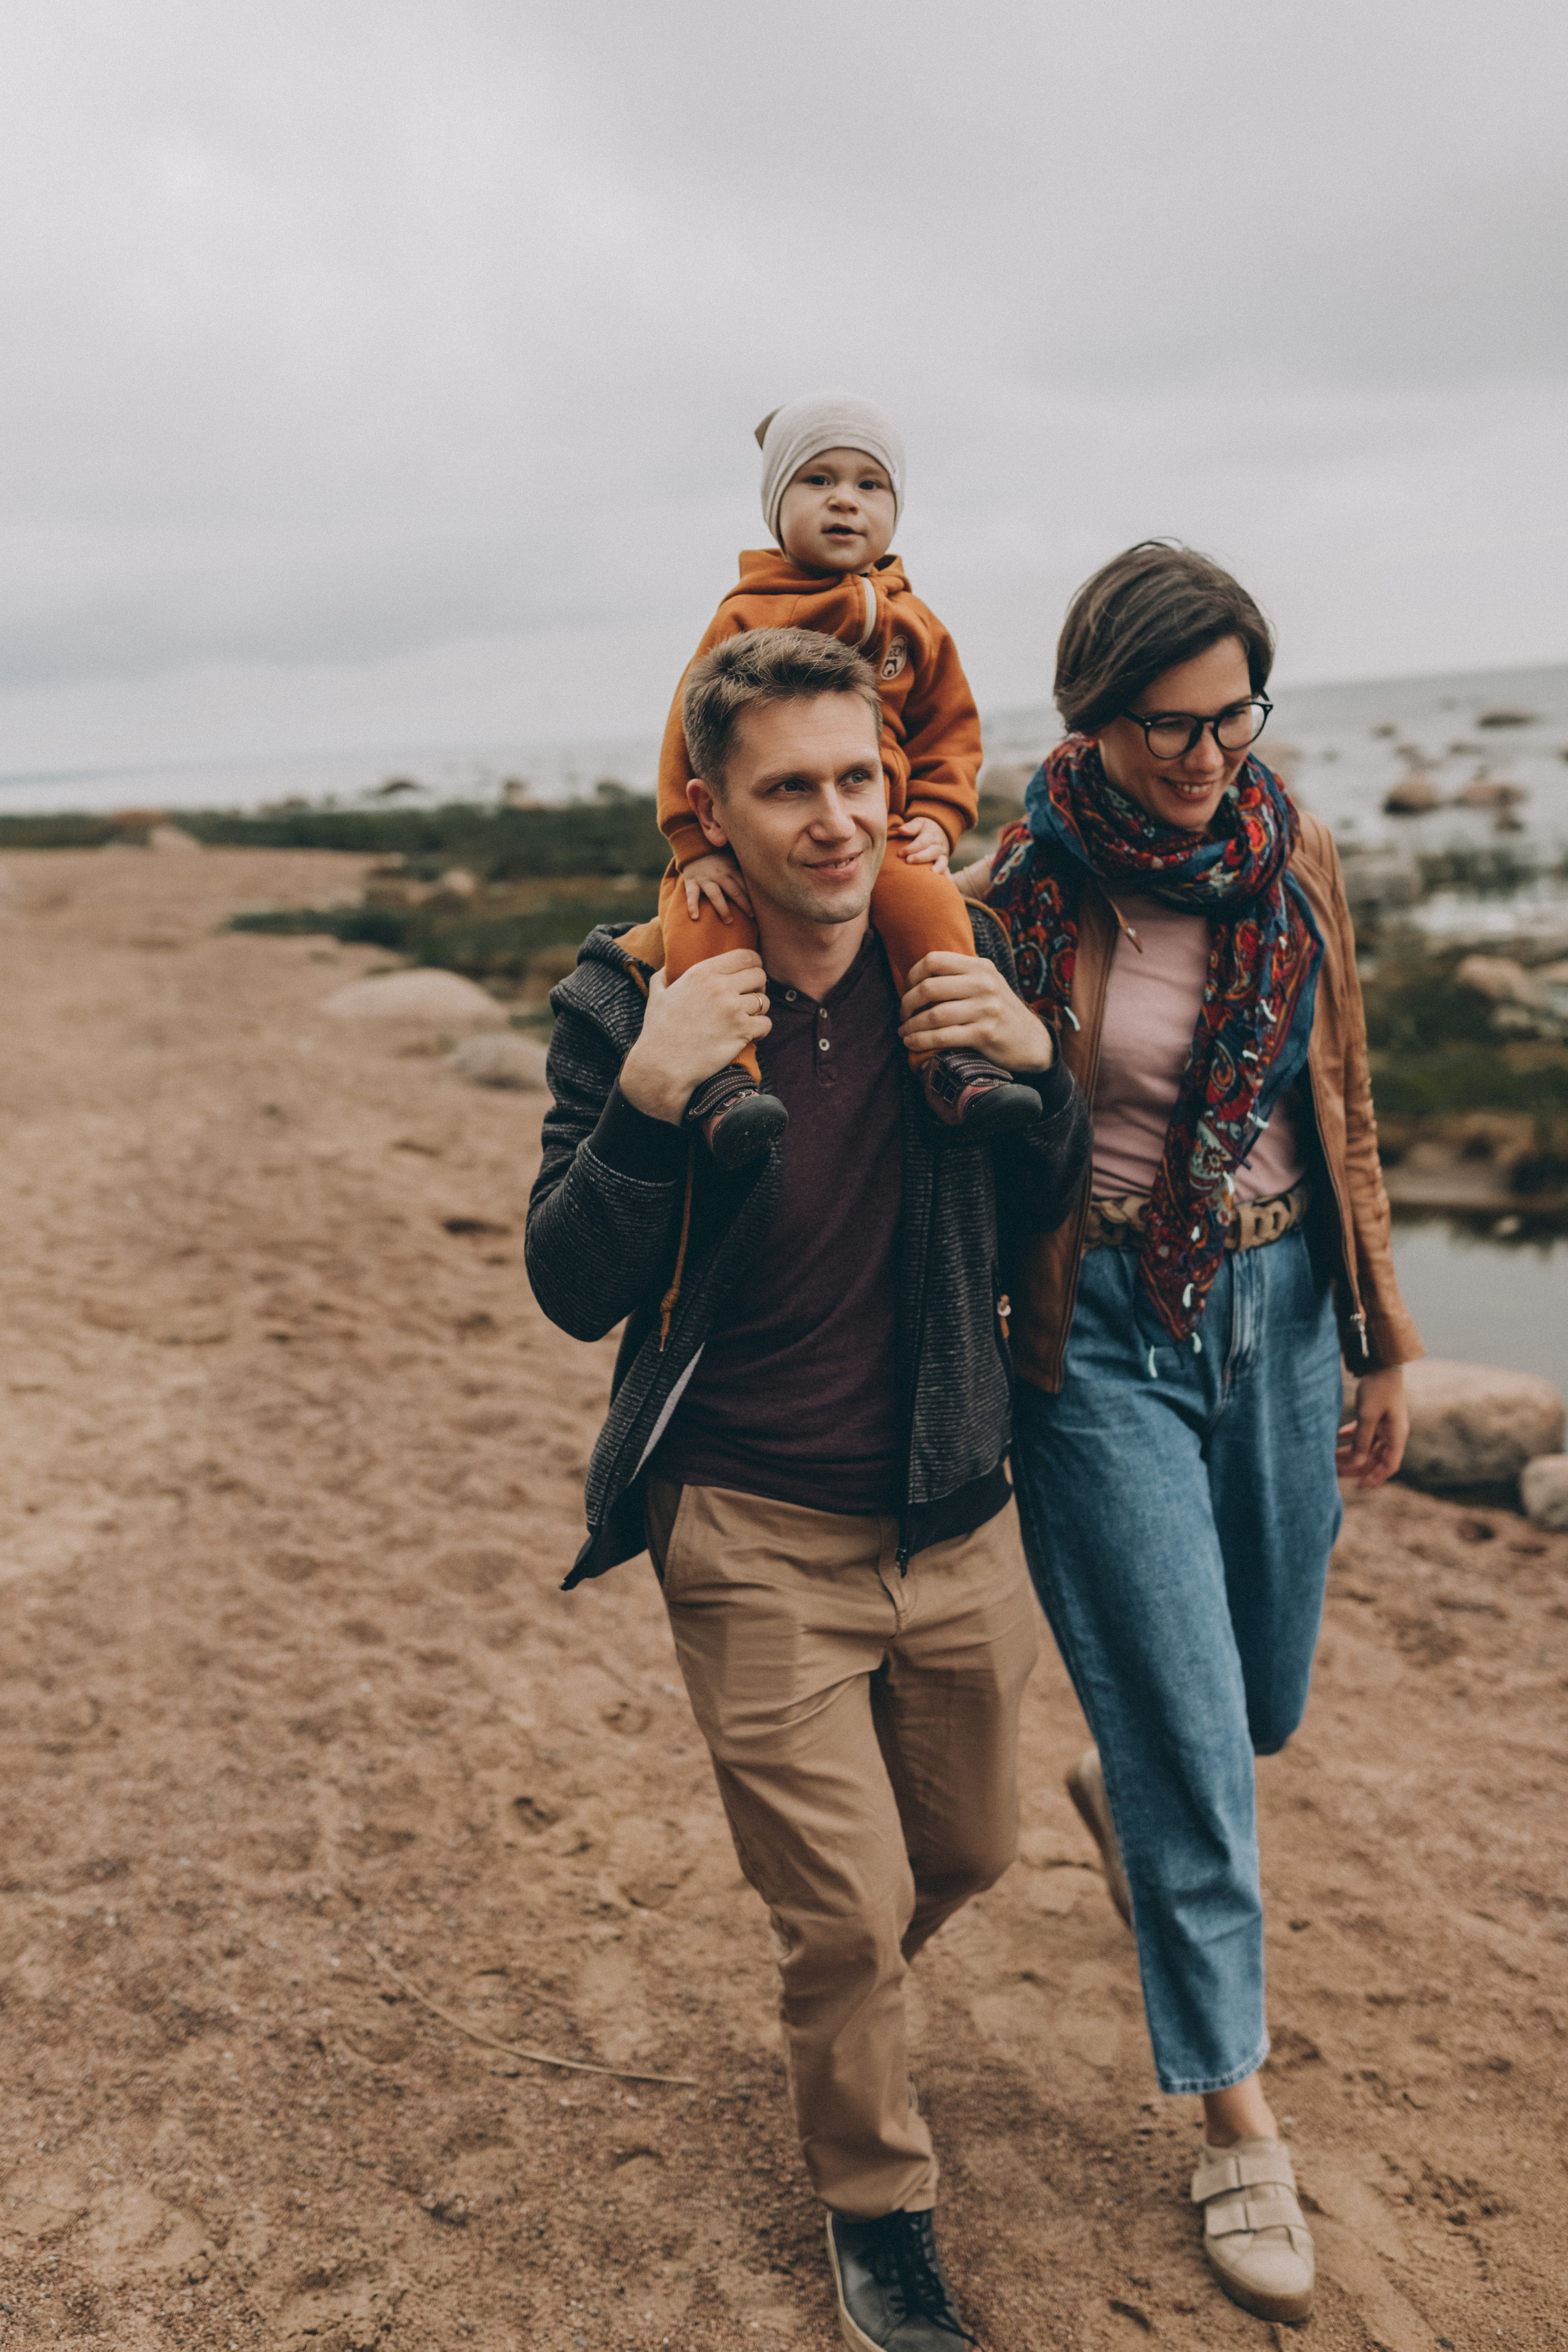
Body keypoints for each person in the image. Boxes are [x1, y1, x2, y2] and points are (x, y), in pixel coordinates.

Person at [526, 626, 1090, 2351]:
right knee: (844, 1916)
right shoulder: (631, 990)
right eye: (790, 789)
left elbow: (1040, 1210)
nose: (837, 821)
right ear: (712, 805)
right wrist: (645, 1100)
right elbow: (569, 1281)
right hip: (751, 1522)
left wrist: (1045, 1075)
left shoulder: (968, 957)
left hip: (955, 1509)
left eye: (859, 779)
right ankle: (879, 2214)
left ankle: (841, 2004)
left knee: (970, 1854)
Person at [956, 541, 1423, 2329]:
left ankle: (1137, 1782)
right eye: (1168, 726)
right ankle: (1235, 2110)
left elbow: (1346, 1097)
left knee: (1261, 1702)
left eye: (1235, 716)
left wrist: (1378, 1330)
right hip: (1099, 1340)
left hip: (1284, 1306)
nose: (1206, 757)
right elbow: (971, 1138)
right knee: (1192, 1748)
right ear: (1092, 711)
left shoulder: (1288, 847)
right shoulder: (1024, 895)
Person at [617, 388, 1042, 1168]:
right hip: (729, 856)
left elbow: (951, 731)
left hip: (890, 840)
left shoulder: (916, 623)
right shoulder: (746, 614)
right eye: (817, 481)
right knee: (705, 921)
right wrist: (694, 846)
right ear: (776, 505)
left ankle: (952, 1064)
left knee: (931, 906)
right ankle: (722, 1085)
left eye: (868, 484)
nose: (845, 500)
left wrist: (942, 822)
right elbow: (688, 732)